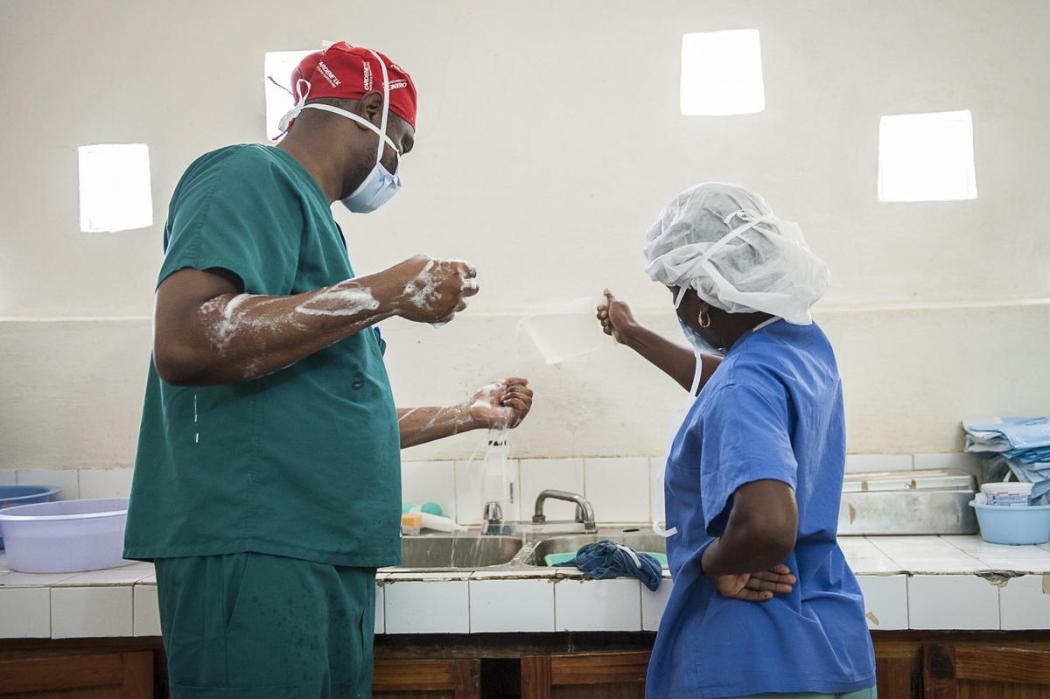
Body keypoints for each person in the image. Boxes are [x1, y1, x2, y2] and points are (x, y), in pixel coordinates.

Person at [123, 41, 534, 698]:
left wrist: (468, 413)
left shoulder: (321, 238)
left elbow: (336, 418)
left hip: (318, 550)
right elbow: (185, 339)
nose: (395, 168)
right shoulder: (246, 174)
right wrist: (383, 293)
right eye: (399, 144)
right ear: (370, 108)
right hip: (258, 547)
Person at [597, 183, 876, 698]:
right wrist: (633, 335)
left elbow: (768, 524)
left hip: (754, 658)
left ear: (704, 298)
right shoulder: (801, 347)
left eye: (674, 293)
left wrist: (716, 562)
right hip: (834, 644)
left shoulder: (745, 381)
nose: (678, 311)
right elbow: (729, 383)